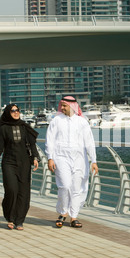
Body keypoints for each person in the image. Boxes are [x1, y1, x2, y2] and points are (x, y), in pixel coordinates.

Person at [0, 104, 40, 230]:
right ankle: (10, 217)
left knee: (23, 192)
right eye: (13, 111)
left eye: (17, 110)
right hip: (9, 163)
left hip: (24, 163)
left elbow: (32, 145)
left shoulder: (24, 126)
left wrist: (35, 158)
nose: (16, 113)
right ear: (8, 113)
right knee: (12, 190)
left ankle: (19, 220)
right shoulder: (3, 128)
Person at [45, 96, 98, 228]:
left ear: (72, 106)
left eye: (64, 105)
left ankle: (74, 217)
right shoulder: (56, 121)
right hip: (60, 157)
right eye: (61, 105)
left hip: (80, 159)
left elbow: (89, 142)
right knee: (65, 185)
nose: (62, 108)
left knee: (76, 188)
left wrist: (94, 160)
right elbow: (49, 140)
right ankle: (63, 212)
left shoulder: (82, 122)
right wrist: (50, 158)